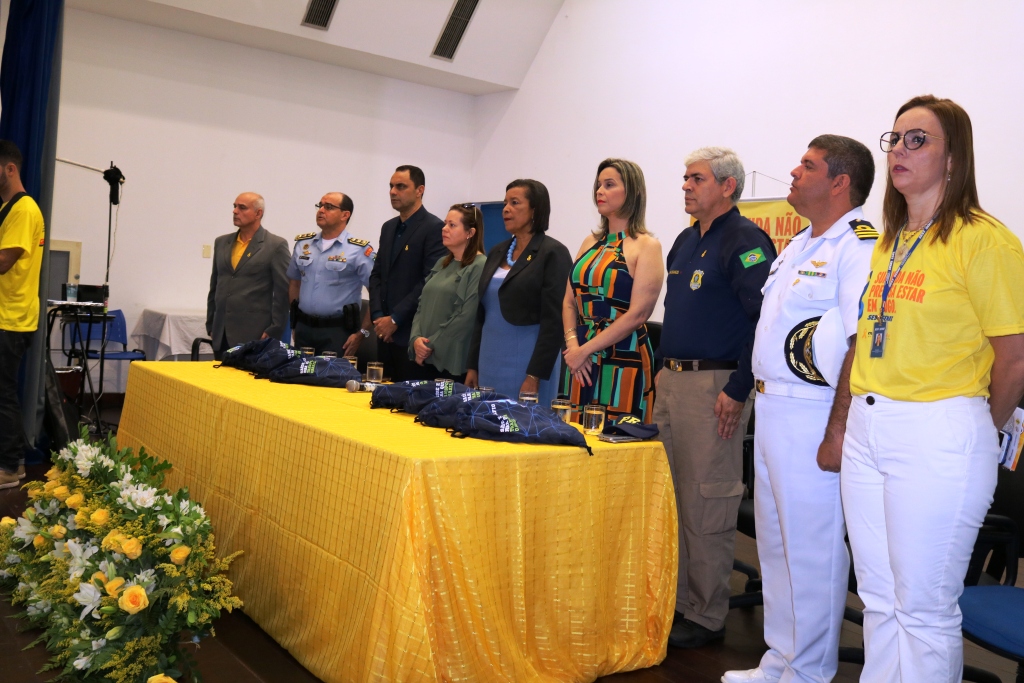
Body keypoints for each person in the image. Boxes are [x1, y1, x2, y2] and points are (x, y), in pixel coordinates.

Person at [840, 95, 1024, 683]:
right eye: (894, 138)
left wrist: (974, 430)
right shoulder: (892, 238)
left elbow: (1014, 361)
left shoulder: (984, 239)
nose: (899, 150)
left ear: (953, 159)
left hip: (939, 431)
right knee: (878, 597)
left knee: (922, 608)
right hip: (870, 429)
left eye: (917, 139)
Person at [722, 135, 877, 683]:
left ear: (839, 182)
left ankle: (809, 670)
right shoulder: (798, 246)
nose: (792, 172)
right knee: (777, 541)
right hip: (773, 409)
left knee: (812, 548)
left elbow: (860, 343)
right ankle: (780, 662)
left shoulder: (858, 245)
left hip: (814, 413)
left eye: (806, 166)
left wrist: (838, 431)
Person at [654, 147, 776, 649]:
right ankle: (679, 601)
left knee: (708, 501)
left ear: (727, 186)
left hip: (715, 386)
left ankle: (706, 614)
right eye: (684, 177)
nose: (686, 185)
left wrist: (738, 386)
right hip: (672, 382)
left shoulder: (745, 239)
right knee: (673, 499)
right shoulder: (685, 240)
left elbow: (762, 320)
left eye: (697, 178)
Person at [561, 158, 663, 423]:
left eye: (609, 185)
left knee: (616, 435)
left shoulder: (646, 245)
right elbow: (569, 302)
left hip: (623, 354)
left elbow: (638, 314)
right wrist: (574, 346)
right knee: (574, 433)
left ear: (632, 191)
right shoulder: (590, 242)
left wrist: (586, 350)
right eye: (598, 185)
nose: (599, 191)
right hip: (579, 357)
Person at [466, 179, 571, 404]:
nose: (506, 209)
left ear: (535, 209)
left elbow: (555, 321)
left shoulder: (553, 253)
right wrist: (472, 365)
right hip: (489, 359)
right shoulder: (497, 251)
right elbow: (481, 314)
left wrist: (534, 375)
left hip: (527, 363)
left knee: (523, 430)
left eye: (515, 203)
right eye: (505, 203)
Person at [369, 165, 447, 381]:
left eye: (401, 186)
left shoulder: (434, 228)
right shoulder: (388, 227)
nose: (393, 192)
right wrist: (377, 318)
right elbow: (376, 275)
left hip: (411, 334)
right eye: (391, 186)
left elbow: (427, 281)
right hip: (383, 334)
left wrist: (394, 319)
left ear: (419, 190)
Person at [0, 140, 44, 489]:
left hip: (11, 318)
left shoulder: (24, 209)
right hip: (5, 315)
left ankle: (12, 466)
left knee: (4, 393)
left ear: (9, 169)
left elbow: (4, 261)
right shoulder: (7, 209)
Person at [287, 192, 374, 356]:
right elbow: (294, 283)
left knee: (329, 380)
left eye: (328, 207)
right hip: (304, 329)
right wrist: (294, 323)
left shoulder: (359, 250)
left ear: (345, 215)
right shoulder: (303, 244)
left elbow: (377, 293)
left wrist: (362, 333)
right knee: (297, 379)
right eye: (320, 205)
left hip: (338, 332)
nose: (321, 210)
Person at [206, 192, 290, 360]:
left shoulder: (275, 245)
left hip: (255, 333)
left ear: (258, 213)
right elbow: (215, 285)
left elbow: (283, 291)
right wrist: (211, 322)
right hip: (221, 332)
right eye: (234, 206)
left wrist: (275, 328)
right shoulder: (221, 242)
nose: (235, 211)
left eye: (242, 208)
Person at [408, 204, 486, 381]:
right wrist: (415, 340)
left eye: (452, 225)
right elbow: (421, 306)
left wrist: (429, 346)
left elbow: (466, 316)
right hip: (422, 355)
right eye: (445, 223)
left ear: (470, 233)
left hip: (450, 360)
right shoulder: (442, 262)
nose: (444, 229)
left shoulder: (479, 266)